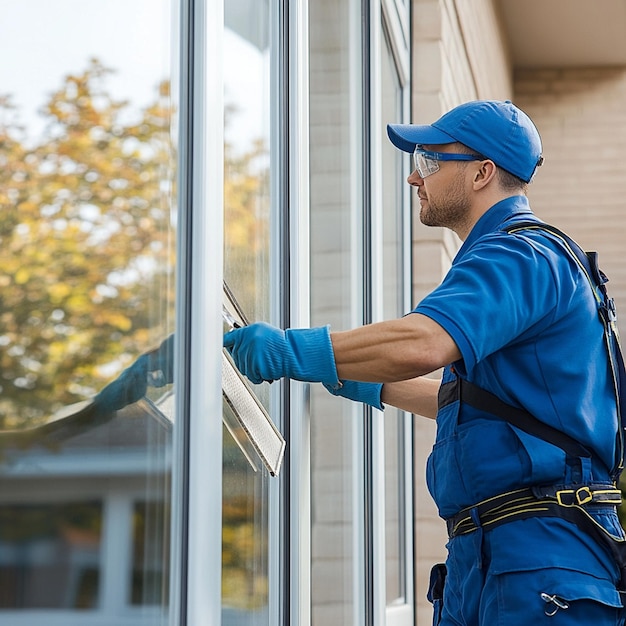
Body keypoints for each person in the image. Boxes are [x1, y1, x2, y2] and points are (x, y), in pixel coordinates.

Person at [223, 100, 626, 624]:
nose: (415, 176)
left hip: (540, 562)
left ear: (483, 173)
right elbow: (488, 408)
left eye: (431, 162)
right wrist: (359, 380)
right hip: (496, 558)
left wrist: (292, 351)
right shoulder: (520, 261)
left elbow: (420, 345)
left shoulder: (519, 256)